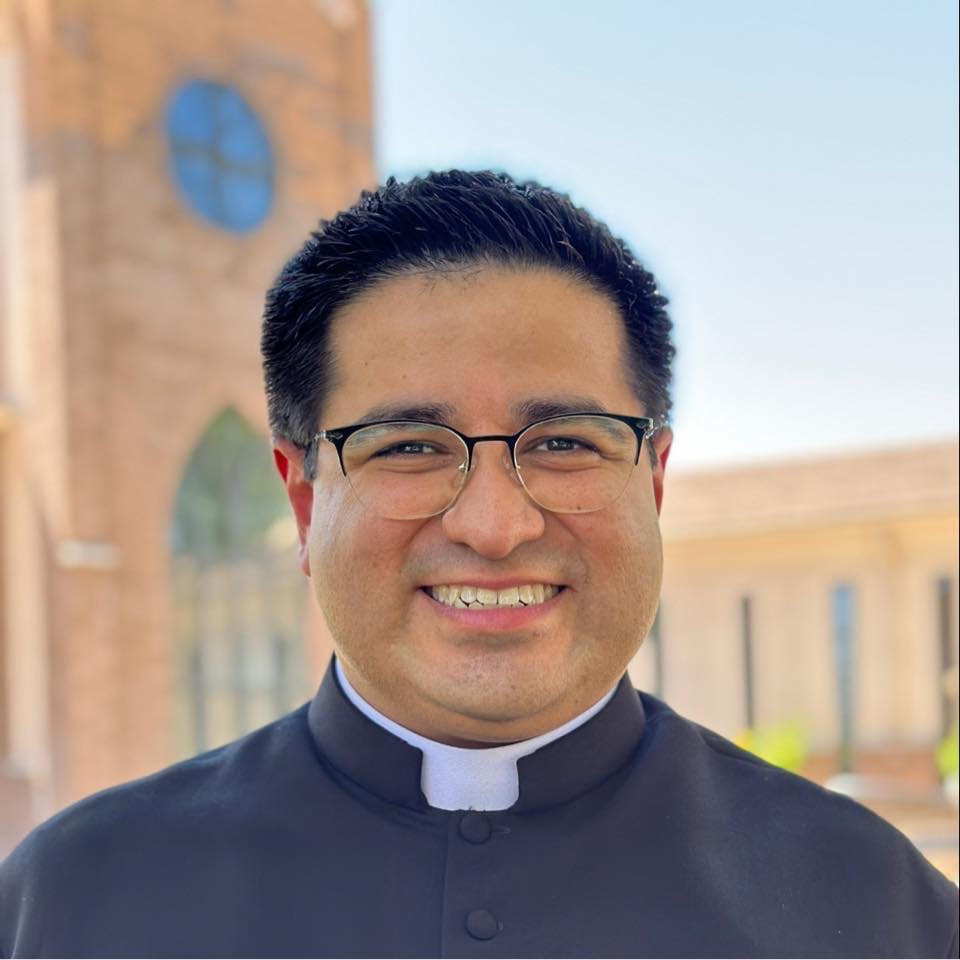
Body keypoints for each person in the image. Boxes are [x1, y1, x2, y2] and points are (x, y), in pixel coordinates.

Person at [0, 170, 957, 958]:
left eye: (566, 443)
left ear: (653, 485)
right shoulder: (68, 902)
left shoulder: (877, 908)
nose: (495, 527)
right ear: (303, 499)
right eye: (408, 445)